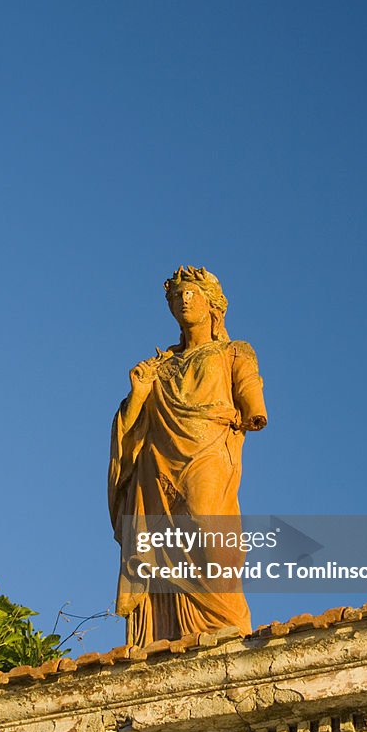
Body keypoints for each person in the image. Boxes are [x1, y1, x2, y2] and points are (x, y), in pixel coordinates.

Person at [108, 265, 267, 645]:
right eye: (176, 296)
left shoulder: (233, 351)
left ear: (212, 304)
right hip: (157, 464)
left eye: (191, 293)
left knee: (207, 533)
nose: (183, 300)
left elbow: (249, 391)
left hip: (208, 452)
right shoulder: (158, 367)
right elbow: (128, 429)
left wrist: (252, 410)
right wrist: (139, 394)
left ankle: (224, 630)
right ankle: (166, 635)